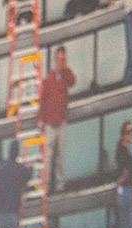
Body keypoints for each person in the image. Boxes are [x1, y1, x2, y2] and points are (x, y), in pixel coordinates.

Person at [38, 45, 76, 186]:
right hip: (49, 123)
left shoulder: (65, 77)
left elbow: (73, 81)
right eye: (59, 59)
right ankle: (46, 184)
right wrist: (41, 120)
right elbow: (42, 101)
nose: (61, 62)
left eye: (63, 59)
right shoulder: (48, 80)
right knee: (47, 156)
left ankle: (59, 183)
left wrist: (65, 68)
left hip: (61, 122)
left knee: (60, 155)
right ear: (55, 60)